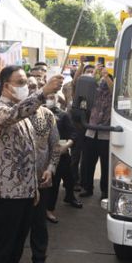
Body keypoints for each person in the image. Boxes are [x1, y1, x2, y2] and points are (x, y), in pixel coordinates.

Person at [0, 65, 63, 263]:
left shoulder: (27, 114)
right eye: (20, 82)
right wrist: (43, 92)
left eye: (27, 83)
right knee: (2, 245)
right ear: (6, 85)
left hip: (26, 191)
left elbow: (30, 154)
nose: (25, 86)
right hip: (5, 192)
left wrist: (33, 188)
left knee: (18, 244)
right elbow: (15, 113)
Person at [27, 77, 60, 263]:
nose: (31, 89)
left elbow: (54, 146)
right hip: (16, 183)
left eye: (35, 87)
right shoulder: (10, 114)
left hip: (41, 180)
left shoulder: (47, 115)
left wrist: (51, 168)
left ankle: (39, 259)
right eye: (28, 87)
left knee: (39, 224)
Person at [46, 90, 82, 220]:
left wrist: (66, 146)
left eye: (52, 97)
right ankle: (49, 210)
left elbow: (73, 133)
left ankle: (70, 197)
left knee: (70, 178)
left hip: (63, 152)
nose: (49, 99)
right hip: (47, 155)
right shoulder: (38, 113)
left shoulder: (63, 115)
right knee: (54, 184)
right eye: (47, 97)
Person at [80, 67, 113, 200]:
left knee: (106, 165)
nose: (103, 84)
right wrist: (95, 73)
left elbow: (113, 89)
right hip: (91, 131)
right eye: (102, 81)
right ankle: (87, 188)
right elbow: (87, 85)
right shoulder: (95, 92)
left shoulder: (113, 94)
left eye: (106, 80)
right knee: (88, 162)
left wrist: (106, 76)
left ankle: (105, 191)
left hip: (106, 134)